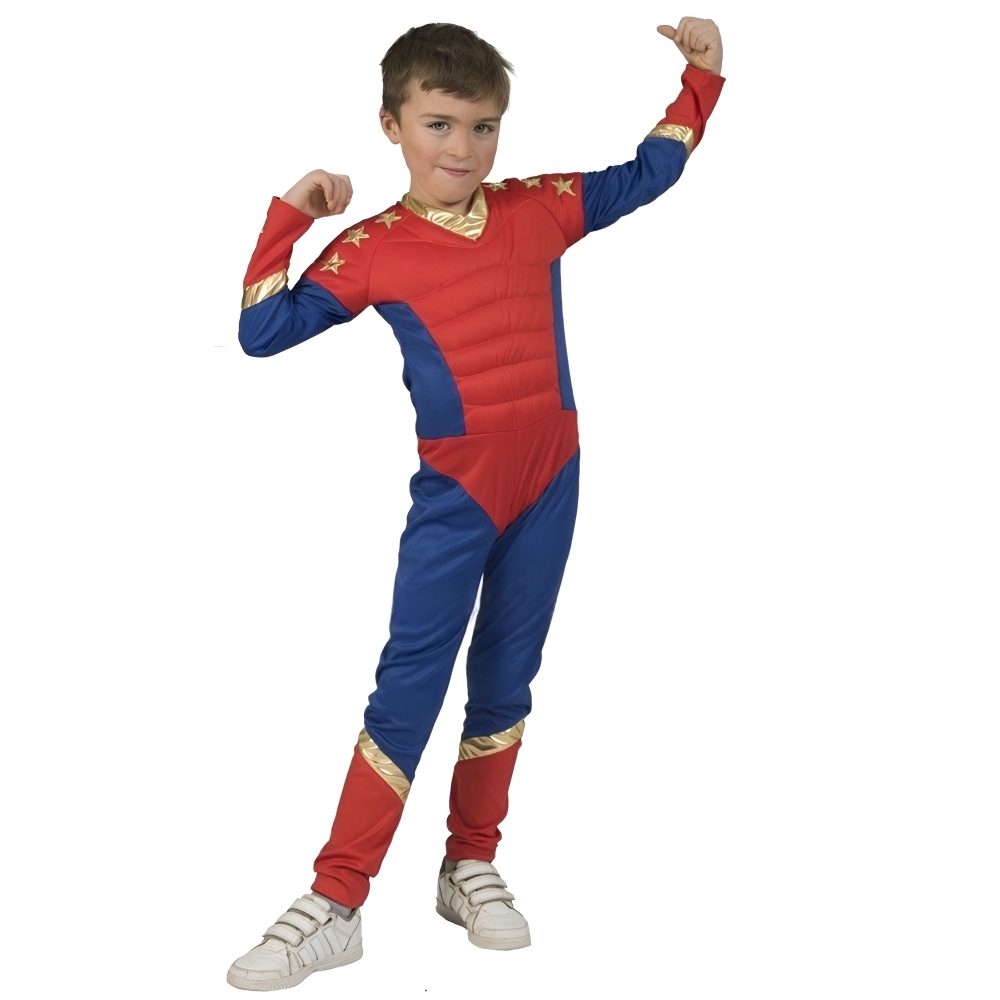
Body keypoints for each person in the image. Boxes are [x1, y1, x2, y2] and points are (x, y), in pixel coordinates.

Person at [228, 15, 724, 991]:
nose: (462, 148)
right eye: (440, 125)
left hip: (551, 477)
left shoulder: (539, 207)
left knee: (507, 676)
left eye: (483, 126)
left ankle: (469, 863)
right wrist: (291, 214)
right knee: (409, 684)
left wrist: (701, 79)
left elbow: (651, 171)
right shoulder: (371, 247)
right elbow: (261, 331)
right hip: (458, 495)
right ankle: (336, 899)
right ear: (393, 126)